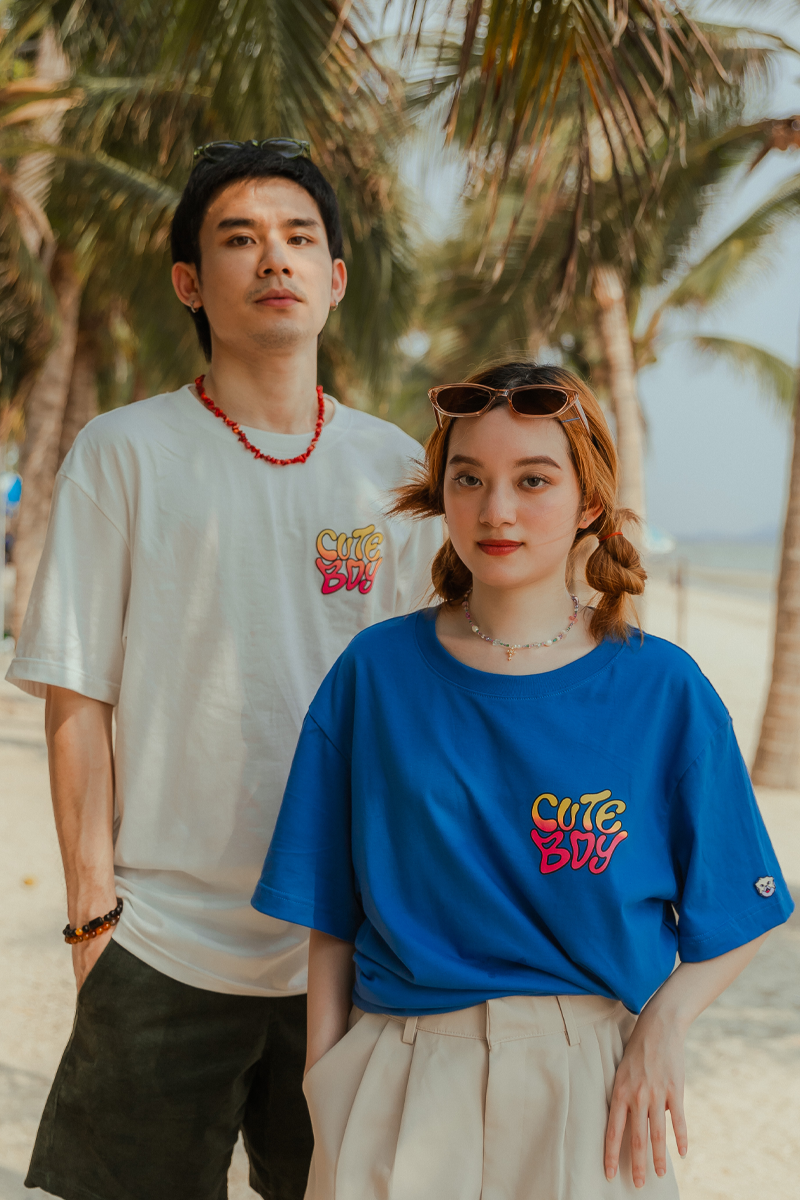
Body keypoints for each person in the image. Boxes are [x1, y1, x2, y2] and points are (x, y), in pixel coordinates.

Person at [6, 139, 440, 1200]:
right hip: (161, 940)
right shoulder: (123, 451)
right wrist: (93, 918)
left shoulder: (396, 470)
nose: (273, 260)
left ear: (336, 279)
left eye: (299, 238)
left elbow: (439, 700)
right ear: (190, 284)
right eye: (238, 239)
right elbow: (78, 698)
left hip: (350, 943)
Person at [252, 360, 793, 1200]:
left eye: (532, 480)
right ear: (443, 494)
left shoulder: (662, 690)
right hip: (398, 1075)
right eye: (468, 478)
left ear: (588, 503)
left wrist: (664, 1025)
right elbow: (330, 909)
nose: (495, 510)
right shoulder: (376, 673)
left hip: (595, 1090)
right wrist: (328, 1081)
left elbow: (743, 906)